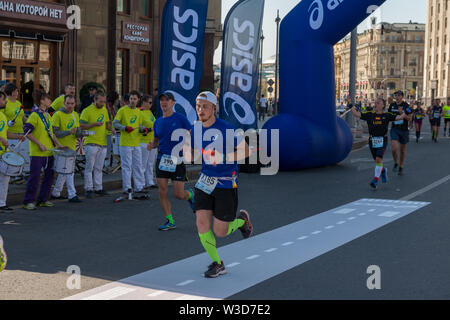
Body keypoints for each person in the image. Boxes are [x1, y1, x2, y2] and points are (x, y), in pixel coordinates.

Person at [184, 91, 253, 278]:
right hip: (205, 181)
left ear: (214, 108)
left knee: (220, 231)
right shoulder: (195, 129)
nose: (200, 109)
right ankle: (217, 263)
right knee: (201, 223)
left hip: (225, 183)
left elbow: (246, 151)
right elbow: (191, 154)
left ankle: (241, 222)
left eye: (205, 106)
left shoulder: (226, 129)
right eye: (198, 105)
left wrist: (223, 157)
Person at [148, 91, 193, 231]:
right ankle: (170, 220)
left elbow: (190, 132)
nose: (164, 102)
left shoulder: (180, 118)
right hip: (162, 159)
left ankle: (190, 194)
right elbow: (156, 141)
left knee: (179, 194)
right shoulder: (158, 122)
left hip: (177, 159)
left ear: (173, 103)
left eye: (167, 100)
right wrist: (151, 145)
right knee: (162, 191)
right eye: (161, 100)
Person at [351, 98, 406, 190]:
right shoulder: (369, 115)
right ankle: (383, 170)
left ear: (383, 105)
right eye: (375, 102)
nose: (375, 104)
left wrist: (406, 112)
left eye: (378, 103)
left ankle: (375, 180)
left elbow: (399, 117)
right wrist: (350, 105)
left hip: (382, 140)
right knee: (377, 161)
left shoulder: (387, 115)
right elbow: (356, 114)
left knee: (378, 159)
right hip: (372, 140)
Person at [23, 90, 65, 210]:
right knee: (35, 177)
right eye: (48, 99)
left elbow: (51, 133)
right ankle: (28, 201)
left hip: (49, 151)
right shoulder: (35, 115)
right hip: (37, 152)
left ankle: (43, 199)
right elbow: (27, 133)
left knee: (49, 177)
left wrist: (59, 144)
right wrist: (39, 144)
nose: (50, 101)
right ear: (42, 101)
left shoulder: (47, 115)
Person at [80, 91, 115, 199]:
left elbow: (107, 124)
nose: (103, 104)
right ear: (94, 100)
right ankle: (88, 189)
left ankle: (98, 187)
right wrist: (94, 124)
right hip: (91, 143)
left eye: (104, 101)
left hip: (102, 143)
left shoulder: (104, 109)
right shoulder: (87, 110)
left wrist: (111, 128)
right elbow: (81, 126)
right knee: (89, 167)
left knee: (99, 168)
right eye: (100, 101)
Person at [113, 90, 147, 197]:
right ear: (129, 100)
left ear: (138, 100)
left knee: (138, 165)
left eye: (134, 99)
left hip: (136, 143)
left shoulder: (139, 112)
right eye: (131, 99)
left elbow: (140, 126)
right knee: (127, 166)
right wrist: (124, 128)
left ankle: (139, 187)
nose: (132, 101)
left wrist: (143, 130)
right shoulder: (122, 110)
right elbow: (115, 123)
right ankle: (127, 188)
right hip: (125, 143)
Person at [51, 95, 83, 203]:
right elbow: (54, 133)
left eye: (72, 104)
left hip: (72, 147)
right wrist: (69, 132)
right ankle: (72, 194)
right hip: (61, 148)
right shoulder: (57, 115)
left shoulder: (75, 115)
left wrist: (81, 133)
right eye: (68, 103)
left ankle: (56, 193)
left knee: (64, 172)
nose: (70, 106)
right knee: (69, 172)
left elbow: (77, 132)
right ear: (64, 103)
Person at [0, 91, 27, 212]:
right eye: (3, 99)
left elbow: (5, 133)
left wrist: (18, 136)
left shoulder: (3, 116)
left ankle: (2, 203)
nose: (5, 102)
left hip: (3, 153)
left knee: (5, 179)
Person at [1, 83, 29, 182]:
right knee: (12, 156)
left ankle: (17, 175)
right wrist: (8, 123)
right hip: (9, 135)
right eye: (17, 91)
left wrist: (30, 122)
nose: (18, 92)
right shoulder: (5, 103)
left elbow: (22, 117)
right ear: (12, 92)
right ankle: (10, 176)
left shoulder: (18, 103)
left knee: (19, 156)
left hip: (20, 133)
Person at [388, 91, 412, 176]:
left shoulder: (406, 106)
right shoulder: (392, 105)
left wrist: (402, 113)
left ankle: (401, 166)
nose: (397, 97)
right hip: (395, 129)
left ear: (402, 96)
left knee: (402, 150)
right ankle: (395, 163)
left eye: (398, 95)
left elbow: (409, 118)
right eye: (396, 95)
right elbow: (388, 116)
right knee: (394, 148)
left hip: (404, 130)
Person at [139, 95, 157, 190]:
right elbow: (139, 128)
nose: (151, 104)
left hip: (152, 141)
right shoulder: (140, 113)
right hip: (144, 142)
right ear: (144, 102)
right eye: (149, 102)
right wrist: (150, 129)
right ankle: (141, 183)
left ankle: (149, 181)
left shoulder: (149, 112)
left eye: (151, 103)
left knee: (150, 163)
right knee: (143, 164)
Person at [105, 91, 119, 168]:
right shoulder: (107, 107)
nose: (117, 101)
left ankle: (107, 164)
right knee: (107, 150)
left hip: (110, 132)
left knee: (109, 149)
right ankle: (106, 165)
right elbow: (109, 120)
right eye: (117, 99)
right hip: (107, 132)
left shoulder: (112, 107)